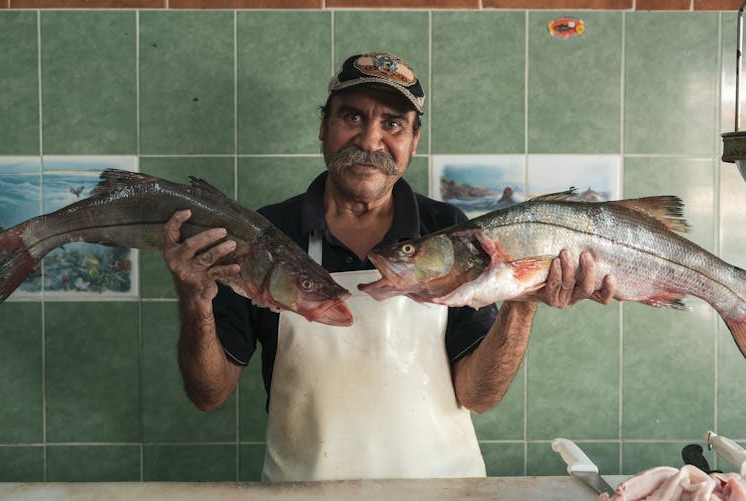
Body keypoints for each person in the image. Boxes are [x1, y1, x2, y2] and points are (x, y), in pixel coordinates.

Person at [163, 51, 616, 481]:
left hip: (442, 490)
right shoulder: (267, 234)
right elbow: (210, 394)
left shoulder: (449, 230)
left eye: (393, 123)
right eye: (352, 116)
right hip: (304, 490)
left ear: (413, 141)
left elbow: (478, 396)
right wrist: (194, 300)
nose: (370, 139)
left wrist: (521, 305)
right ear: (324, 126)